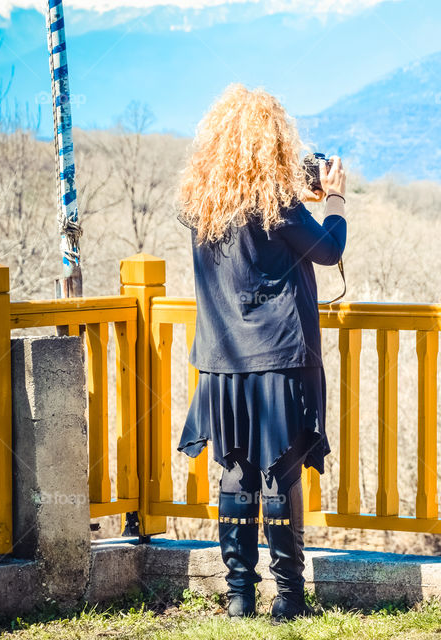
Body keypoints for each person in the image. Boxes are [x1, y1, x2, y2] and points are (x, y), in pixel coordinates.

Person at [174, 83, 347, 622]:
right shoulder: (278, 204)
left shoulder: (204, 205)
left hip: (223, 361)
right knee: (280, 472)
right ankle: (290, 599)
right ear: (274, 143)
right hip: (277, 355)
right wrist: (335, 200)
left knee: (236, 472)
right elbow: (328, 249)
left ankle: (238, 596)